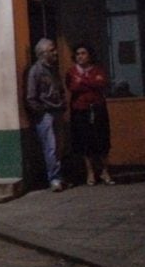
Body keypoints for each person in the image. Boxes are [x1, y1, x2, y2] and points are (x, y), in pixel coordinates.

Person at [65, 43, 115, 186]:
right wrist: (90, 83)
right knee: (84, 141)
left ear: (90, 55)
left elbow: (101, 84)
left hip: (98, 108)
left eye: (83, 53)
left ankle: (105, 171)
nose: (80, 56)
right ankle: (90, 172)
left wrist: (83, 81)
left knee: (102, 138)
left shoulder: (98, 70)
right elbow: (73, 87)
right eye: (78, 54)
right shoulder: (71, 71)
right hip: (80, 110)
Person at [26, 38, 67, 192]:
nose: (55, 52)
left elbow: (60, 89)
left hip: (57, 111)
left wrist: (62, 104)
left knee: (59, 147)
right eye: (51, 50)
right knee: (50, 147)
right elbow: (31, 97)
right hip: (46, 114)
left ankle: (59, 177)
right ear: (43, 53)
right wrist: (41, 112)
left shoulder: (54, 69)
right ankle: (54, 178)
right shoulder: (35, 71)